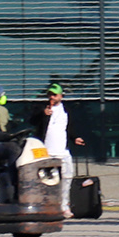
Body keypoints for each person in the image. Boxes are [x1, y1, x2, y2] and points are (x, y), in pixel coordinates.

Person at [33, 83, 84, 218]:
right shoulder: (41, 108)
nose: (52, 97)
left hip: (62, 150)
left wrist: (75, 138)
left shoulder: (66, 110)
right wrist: (43, 114)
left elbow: (69, 128)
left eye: (54, 95)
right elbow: (31, 120)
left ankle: (64, 205)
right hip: (46, 151)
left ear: (61, 96)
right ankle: (46, 205)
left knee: (67, 177)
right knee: (46, 179)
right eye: (50, 94)